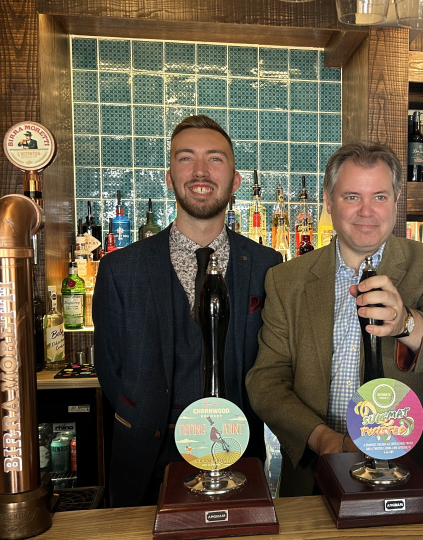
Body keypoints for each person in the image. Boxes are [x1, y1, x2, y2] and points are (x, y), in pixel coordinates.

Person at [245, 142, 423, 496]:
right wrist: (323, 439)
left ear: (396, 200)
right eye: (352, 196)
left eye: (379, 196)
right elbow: (266, 381)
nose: (367, 211)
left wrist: (406, 323)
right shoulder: (287, 279)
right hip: (315, 474)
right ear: (329, 201)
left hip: (409, 470)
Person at [94, 115, 282, 507]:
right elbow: (111, 369)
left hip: (239, 455)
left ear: (235, 181)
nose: (200, 171)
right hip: (146, 460)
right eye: (185, 158)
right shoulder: (120, 269)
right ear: (168, 176)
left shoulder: (267, 264)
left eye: (215, 159)